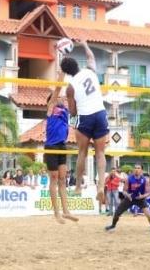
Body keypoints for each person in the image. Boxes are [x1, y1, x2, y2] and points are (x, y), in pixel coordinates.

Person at [61, 38, 109, 203]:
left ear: (67, 72)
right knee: (101, 153)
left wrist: (70, 112)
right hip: (100, 113)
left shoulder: (70, 87)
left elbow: (73, 111)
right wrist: (84, 44)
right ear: (77, 65)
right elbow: (91, 57)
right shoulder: (90, 71)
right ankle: (101, 187)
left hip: (86, 116)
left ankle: (78, 187)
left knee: (82, 152)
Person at [44, 74, 78, 224]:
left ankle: (66, 211)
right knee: (54, 178)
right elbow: (57, 89)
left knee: (63, 179)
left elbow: (71, 98)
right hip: (51, 146)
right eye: (59, 97)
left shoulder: (65, 110)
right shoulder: (51, 109)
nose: (61, 98)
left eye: (62, 98)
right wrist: (61, 74)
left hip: (62, 146)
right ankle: (56, 213)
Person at [105, 164, 150, 233]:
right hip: (129, 199)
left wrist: (142, 196)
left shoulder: (145, 180)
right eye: (135, 168)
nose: (136, 170)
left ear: (141, 170)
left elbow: (148, 192)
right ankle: (113, 225)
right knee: (117, 213)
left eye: (138, 168)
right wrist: (127, 195)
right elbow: (124, 190)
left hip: (140, 199)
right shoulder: (129, 179)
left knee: (149, 216)